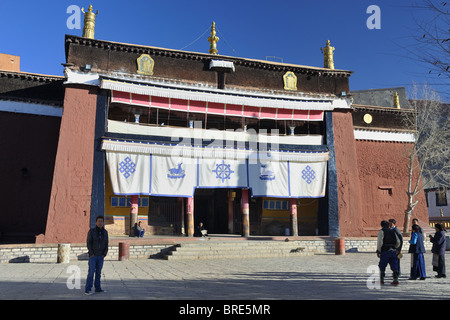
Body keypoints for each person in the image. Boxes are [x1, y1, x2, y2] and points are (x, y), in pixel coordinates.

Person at [85, 215, 109, 295]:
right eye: (98, 221)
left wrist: (104, 254)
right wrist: (91, 253)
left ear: (103, 222)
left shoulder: (105, 232)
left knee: (98, 273)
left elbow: (106, 244)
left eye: (101, 221)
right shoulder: (92, 231)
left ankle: (98, 288)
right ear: (96, 222)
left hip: (101, 256)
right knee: (91, 272)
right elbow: (89, 242)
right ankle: (88, 289)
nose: (100, 222)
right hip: (93, 256)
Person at [377, 220, 401, 285]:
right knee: (394, 266)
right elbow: (398, 242)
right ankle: (395, 280)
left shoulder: (382, 231)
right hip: (393, 251)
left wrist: (378, 250)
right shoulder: (393, 231)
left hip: (385, 251)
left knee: (382, 265)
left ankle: (381, 280)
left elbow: (380, 242)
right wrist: (394, 247)